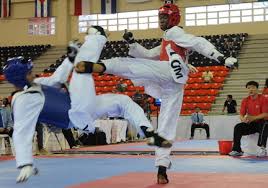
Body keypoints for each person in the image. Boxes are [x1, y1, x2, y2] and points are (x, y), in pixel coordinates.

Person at [74, 3, 237, 184]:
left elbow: (198, 42)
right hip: (173, 86)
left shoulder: (175, 32)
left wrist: (221, 58)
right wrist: (132, 43)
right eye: (160, 18)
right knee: (166, 127)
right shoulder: (168, 40)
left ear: (174, 18)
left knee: (133, 67)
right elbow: (149, 54)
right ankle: (162, 168)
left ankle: (102, 66)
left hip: (167, 72)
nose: (161, 21)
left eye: (164, 17)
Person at [3, 28, 171, 183]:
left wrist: (70, 58)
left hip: (81, 108)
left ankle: (148, 132)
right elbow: (21, 132)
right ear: (21, 76)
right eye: (29, 72)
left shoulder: (37, 83)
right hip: (74, 114)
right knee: (81, 69)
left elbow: (57, 78)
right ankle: (97, 36)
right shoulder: (21, 101)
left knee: (123, 102)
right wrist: (24, 162)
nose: (33, 73)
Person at [229, 81, 268, 157]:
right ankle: (237, 150)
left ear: (257, 89)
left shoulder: (264, 99)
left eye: (253, 87)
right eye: (249, 88)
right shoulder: (245, 100)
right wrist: (243, 119)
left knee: (264, 124)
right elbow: (241, 114)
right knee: (238, 127)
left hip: (263, 122)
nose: (251, 90)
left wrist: (253, 118)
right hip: (252, 123)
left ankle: (262, 148)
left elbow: (266, 114)